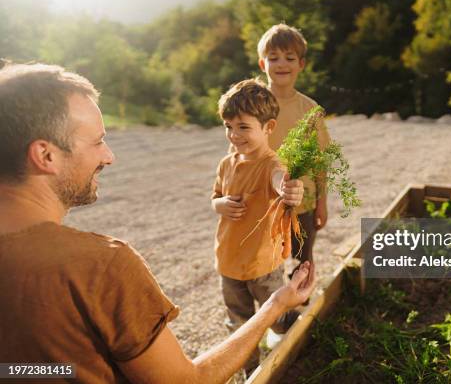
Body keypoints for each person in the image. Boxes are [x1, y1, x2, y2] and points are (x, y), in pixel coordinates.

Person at [0, 63, 315, 384]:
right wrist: (275, 305)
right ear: (45, 155)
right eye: (97, 141)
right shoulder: (101, 267)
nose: (109, 156)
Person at [211, 78, 304, 375]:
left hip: (263, 265)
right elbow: (214, 197)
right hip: (228, 263)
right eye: (229, 126)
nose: (234, 135)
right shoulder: (226, 163)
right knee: (239, 325)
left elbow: (282, 184)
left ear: (268, 127)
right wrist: (220, 204)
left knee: (278, 317)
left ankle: (300, 347)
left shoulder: (272, 165)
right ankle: (250, 373)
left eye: (243, 127)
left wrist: (291, 191)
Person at [257, 23, 331, 276]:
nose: (281, 64)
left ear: (301, 64)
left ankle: (300, 309)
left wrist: (322, 202)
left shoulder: (310, 110)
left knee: (303, 262)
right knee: (267, 264)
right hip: (264, 201)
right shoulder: (253, 105)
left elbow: (320, 160)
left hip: (304, 202)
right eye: (273, 58)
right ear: (262, 64)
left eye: (289, 58)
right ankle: (275, 311)